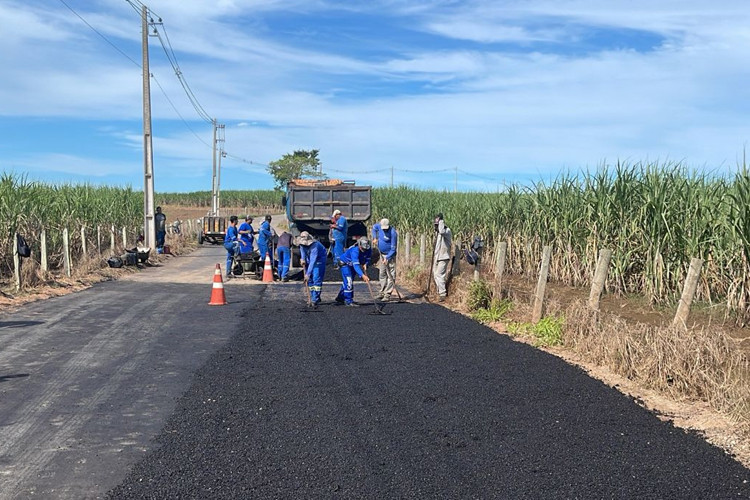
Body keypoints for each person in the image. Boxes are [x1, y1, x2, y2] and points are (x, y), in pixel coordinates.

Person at [335, 237, 371, 306]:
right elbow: (356, 266)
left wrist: (365, 264)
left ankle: (341, 297)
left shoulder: (368, 249)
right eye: (362, 248)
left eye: (365, 249)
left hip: (352, 265)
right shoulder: (355, 250)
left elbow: (368, 258)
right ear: (359, 245)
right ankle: (348, 300)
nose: (364, 250)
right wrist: (362, 275)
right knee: (349, 281)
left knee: (348, 281)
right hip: (345, 263)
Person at [371, 217, 398, 301]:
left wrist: (387, 258)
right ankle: (382, 291)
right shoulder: (378, 226)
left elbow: (393, 249)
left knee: (390, 274)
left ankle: (387, 293)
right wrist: (375, 238)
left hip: (390, 255)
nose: (385, 230)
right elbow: (373, 228)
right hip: (381, 254)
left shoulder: (393, 233)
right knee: (382, 273)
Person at [297, 231, 326, 306]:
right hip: (310, 257)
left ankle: (315, 298)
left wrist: (308, 274)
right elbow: (302, 252)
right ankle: (314, 296)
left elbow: (313, 260)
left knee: (316, 277)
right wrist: (302, 259)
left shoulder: (314, 246)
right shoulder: (302, 244)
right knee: (310, 279)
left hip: (319, 259)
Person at [432, 213, 452, 302]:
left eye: (437, 225)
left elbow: (442, 231)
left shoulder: (446, 231)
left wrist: (440, 221)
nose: (436, 227)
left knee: (440, 275)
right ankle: (439, 291)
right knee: (435, 274)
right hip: (437, 256)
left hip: (443, 257)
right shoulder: (437, 233)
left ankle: (442, 294)